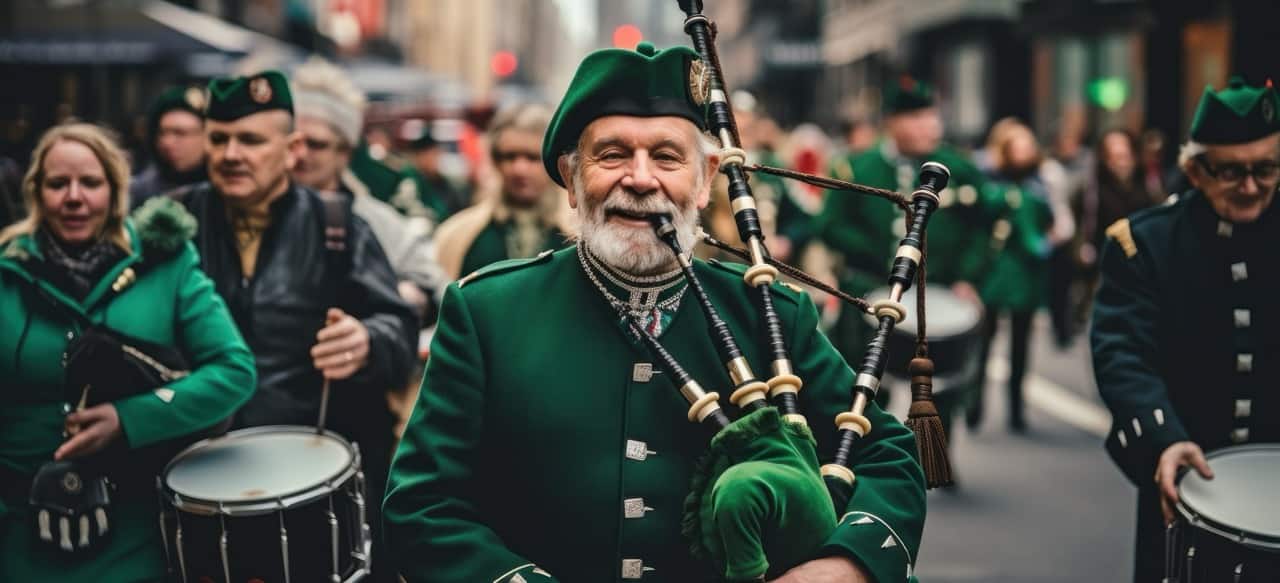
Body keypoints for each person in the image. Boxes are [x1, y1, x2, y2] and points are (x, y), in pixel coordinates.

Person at [385, 41, 925, 583]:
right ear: (571, 180)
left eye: (667, 157)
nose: (640, 179)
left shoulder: (775, 314)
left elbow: (886, 455)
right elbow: (422, 504)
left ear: (704, 179)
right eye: (612, 154)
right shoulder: (486, 313)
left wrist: (844, 566)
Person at [173, 71, 418, 581]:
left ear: (291, 148)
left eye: (251, 140)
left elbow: (399, 327)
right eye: (218, 139)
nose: (231, 154)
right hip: (194, 482)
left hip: (311, 490)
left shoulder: (337, 224)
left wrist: (366, 340)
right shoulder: (173, 223)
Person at [0, 123, 255, 581]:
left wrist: (129, 419)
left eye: (91, 183)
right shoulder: (6, 274)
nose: (74, 197)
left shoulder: (166, 264)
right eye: (58, 184)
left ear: (116, 190)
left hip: (136, 533)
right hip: (16, 534)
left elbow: (234, 372)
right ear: (36, 192)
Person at [1092, 77, 1280, 583]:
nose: (1250, 186)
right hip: (1187, 473)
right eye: (1231, 171)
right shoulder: (1145, 244)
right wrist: (1163, 440)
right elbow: (1122, 354)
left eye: (1265, 169)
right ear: (1194, 170)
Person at [819, 76, 998, 437]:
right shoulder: (856, 168)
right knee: (866, 379)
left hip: (940, 292)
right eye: (917, 118)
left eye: (932, 116)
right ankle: (871, 451)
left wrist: (968, 277)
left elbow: (985, 227)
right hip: (871, 290)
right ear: (893, 123)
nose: (930, 125)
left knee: (938, 384)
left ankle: (935, 454)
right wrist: (880, 256)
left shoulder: (958, 169)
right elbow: (829, 225)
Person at [291, 57, 446, 321]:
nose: (302, 154)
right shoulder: (256, 208)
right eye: (294, 141)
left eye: (316, 144)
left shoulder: (375, 220)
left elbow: (435, 287)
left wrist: (402, 299)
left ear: (345, 153)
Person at [972, 119, 1057, 432]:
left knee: (1021, 345)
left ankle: (1016, 410)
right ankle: (974, 404)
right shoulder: (988, 182)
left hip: (1026, 274)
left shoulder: (1039, 185)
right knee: (983, 343)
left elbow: (1049, 224)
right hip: (995, 273)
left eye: (1027, 146)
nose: (1023, 152)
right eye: (1017, 147)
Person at [432, 103, 572, 281]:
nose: (519, 169)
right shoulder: (457, 236)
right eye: (509, 156)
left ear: (555, 162)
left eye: (532, 157)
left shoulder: (580, 236)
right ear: (495, 161)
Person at [130, 85, 209, 208]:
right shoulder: (138, 192)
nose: (167, 142)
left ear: (208, 136)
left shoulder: (227, 187)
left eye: (180, 133)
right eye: (161, 133)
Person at [406, 129, 470, 222]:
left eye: (434, 154)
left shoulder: (447, 184)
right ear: (417, 157)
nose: (432, 159)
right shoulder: (412, 182)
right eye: (427, 155)